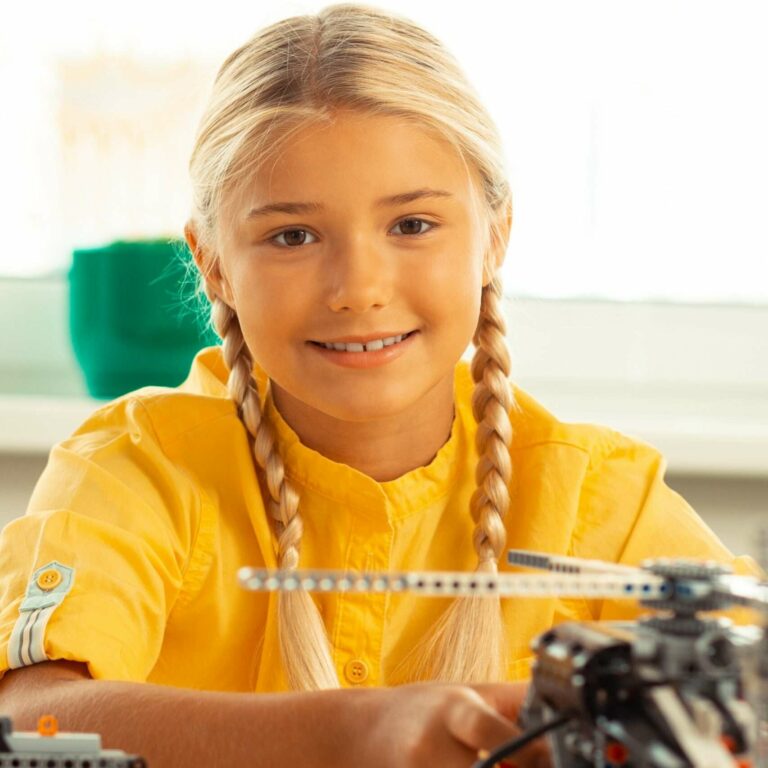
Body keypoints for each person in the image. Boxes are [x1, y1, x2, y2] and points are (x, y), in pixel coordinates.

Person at [0, 4, 762, 767]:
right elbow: (28, 713)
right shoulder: (133, 467)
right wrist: (349, 733)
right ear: (214, 262)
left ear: (494, 234)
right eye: (292, 236)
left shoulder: (609, 499)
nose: (358, 290)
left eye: (412, 226)